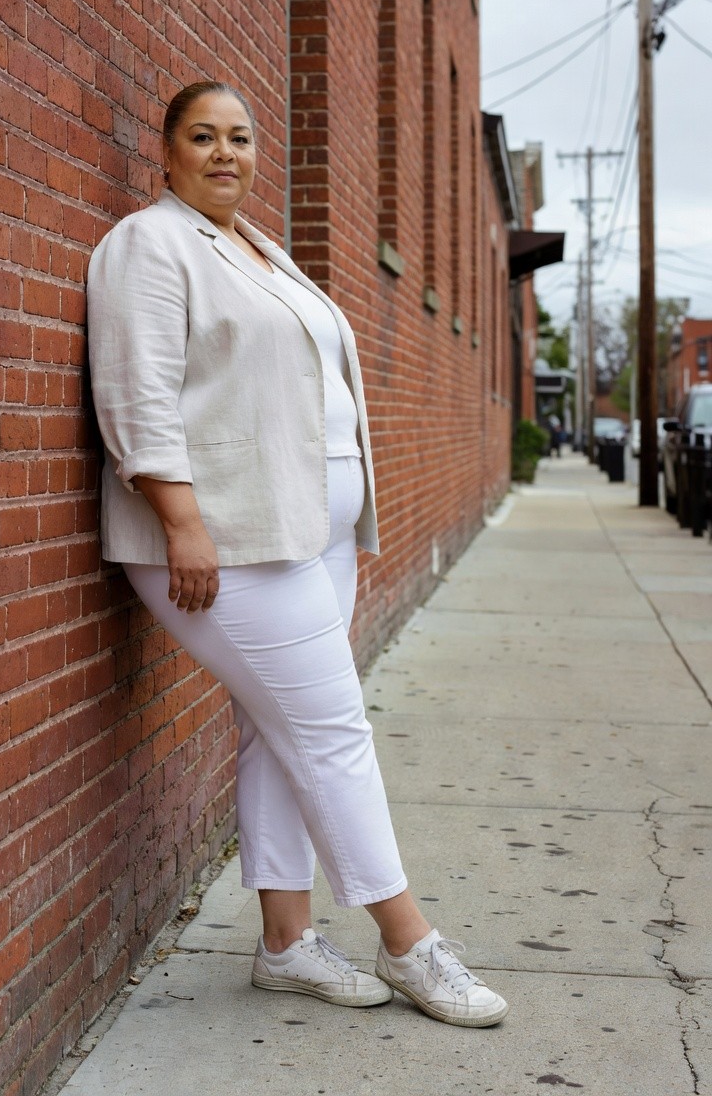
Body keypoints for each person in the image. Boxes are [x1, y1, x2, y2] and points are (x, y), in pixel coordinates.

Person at [86, 81, 508, 1027]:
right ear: (168, 150)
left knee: (276, 731)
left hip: (304, 532)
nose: (225, 153)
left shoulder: (262, 251)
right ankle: (411, 942)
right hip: (221, 540)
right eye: (203, 136)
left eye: (239, 137)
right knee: (331, 729)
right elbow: (136, 393)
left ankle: (285, 944)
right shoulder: (148, 244)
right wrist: (182, 521)